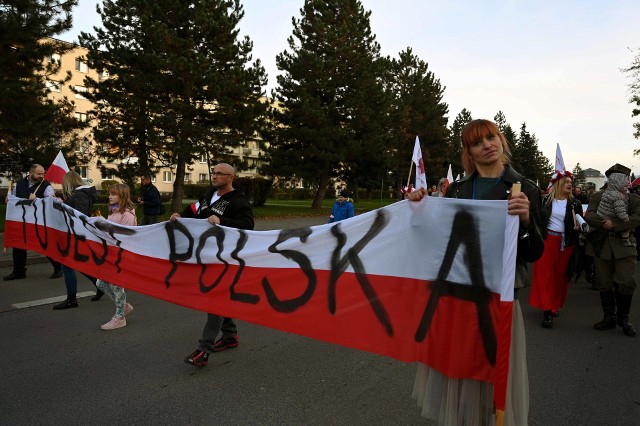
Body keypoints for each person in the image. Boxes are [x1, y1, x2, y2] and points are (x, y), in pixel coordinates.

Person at [406, 119, 544, 425]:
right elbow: (438, 238)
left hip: (500, 299)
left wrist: (523, 223)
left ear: (502, 140)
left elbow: (534, 251)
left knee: (493, 381)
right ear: (468, 151)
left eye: (491, 137)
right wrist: (419, 208)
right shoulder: (457, 189)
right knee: (460, 378)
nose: (488, 145)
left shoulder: (526, 188)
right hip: (458, 296)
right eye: (478, 142)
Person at [170, 163, 254, 367]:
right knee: (218, 298)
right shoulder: (209, 194)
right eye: (213, 173)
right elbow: (196, 211)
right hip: (206, 256)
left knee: (214, 301)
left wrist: (222, 220)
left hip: (225, 259)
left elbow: (248, 225)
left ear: (230, 178)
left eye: (219, 174)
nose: (214, 176)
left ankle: (203, 350)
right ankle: (230, 335)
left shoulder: (238, 201)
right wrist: (180, 217)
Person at [585, 163, 639, 337]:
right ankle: (609, 317)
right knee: (604, 283)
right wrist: (603, 223)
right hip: (602, 245)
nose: (626, 182)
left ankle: (624, 318)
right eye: (622, 178)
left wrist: (613, 223)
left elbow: (636, 219)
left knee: (626, 282)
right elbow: (590, 215)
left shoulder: (633, 199)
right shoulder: (599, 196)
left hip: (625, 247)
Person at [529, 171, 583, 328]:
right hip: (547, 241)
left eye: (571, 182)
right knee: (545, 276)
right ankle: (546, 311)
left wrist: (578, 228)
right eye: (566, 181)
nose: (569, 184)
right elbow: (537, 220)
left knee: (560, 278)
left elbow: (579, 222)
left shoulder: (575, 204)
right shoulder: (546, 201)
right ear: (558, 183)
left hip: (566, 244)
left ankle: (553, 305)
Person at [3, 164, 63, 280]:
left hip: (38, 222)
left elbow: (51, 202)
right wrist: (9, 200)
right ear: (30, 173)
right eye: (39, 174)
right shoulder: (19, 184)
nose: (42, 176)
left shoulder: (46, 186)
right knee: (18, 245)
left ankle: (58, 267)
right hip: (22, 220)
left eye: (43, 173)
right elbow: (14, 198)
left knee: (44, 245)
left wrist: (37, 200)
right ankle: (19, 271)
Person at [52, 171, 98, 310]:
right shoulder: (82, 194)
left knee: (67, 265)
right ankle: (100, 285)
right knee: (79, 264)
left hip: (75, 235)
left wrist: (63, 205)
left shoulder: (80, 195)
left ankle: (72, 299)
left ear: (69, 182)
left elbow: (79, 215)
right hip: (76, 234)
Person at [95, 184, 136, 330]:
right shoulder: (113, 211)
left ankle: (120, 317)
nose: (110, 196)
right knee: (100, 283)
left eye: (113, 194)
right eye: (110, 194)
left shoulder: (127, 215)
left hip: (120, 256)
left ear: (122, 196)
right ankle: (123, 306)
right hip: (110, 253)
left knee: (117, 285)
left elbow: (123, 237)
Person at [596, 172, 634, 247]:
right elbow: (620, 210)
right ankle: (625, 240)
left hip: (601, 214)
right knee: (625, 229)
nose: (628, 184)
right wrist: (624, 217)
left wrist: (613, 222)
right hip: (606, 236)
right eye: (625, 184)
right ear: (618, 184)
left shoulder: (607, 193)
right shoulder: (619, 196)